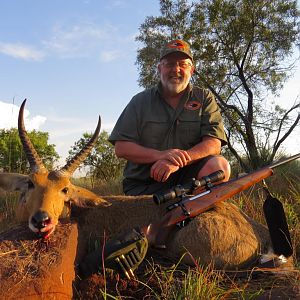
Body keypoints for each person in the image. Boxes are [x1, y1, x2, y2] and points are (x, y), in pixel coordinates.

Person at [109, 39, 230, 196]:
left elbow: (213, 143)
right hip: (143, 184)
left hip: (187, 180)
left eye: (183, 64)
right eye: (169, 64)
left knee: (220, 166)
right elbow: (121, 148)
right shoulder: (139, 101)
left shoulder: (204, 97)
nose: (176, 69)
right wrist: (161, 155)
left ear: (192, 70)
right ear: (159, 68)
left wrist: (177, 162)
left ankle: (194, 211)